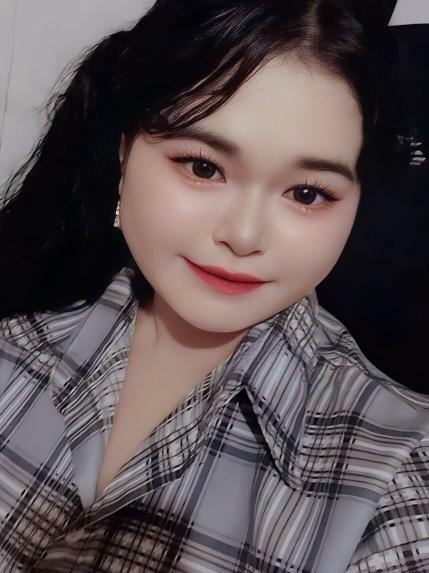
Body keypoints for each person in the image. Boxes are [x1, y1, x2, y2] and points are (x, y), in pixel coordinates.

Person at [0, 1, 427, 571]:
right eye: (203, 167)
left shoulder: (398, 470)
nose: (244, 236)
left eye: (306, 194)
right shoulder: (16, 339)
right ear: (125, 152)